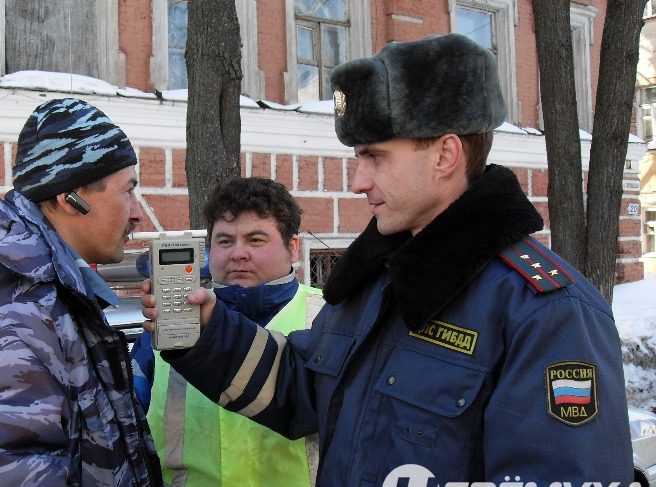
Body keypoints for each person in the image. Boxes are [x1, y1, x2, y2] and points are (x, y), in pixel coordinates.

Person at [141, 34, 633, 484]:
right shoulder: (376, 284)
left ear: (445, 155)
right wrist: (208, 329)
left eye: (375, 156)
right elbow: (301, 390)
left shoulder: (548, 312)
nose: (358, 180)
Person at [0, 98, 162, 487]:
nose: (136, 212)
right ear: (70, 198)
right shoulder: (14, 307)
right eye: (127, 192)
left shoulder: (38, 289)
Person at [132, 177, 324, 487]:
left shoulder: (329, 319)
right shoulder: (161, 331)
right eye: (225, 241)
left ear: (293, 246)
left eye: (255, 240)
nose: (238, 253)